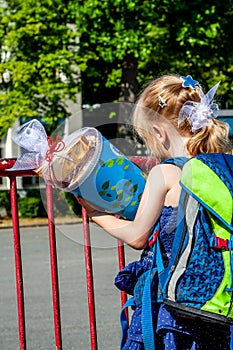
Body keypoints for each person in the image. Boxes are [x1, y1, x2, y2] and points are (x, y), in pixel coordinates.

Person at [78, 73, 232, 349]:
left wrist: (97, 215)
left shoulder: (166, 173)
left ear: (160, 132)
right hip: (215, 303)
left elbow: (138, 236)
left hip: (171, 304)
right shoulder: (224, 166)